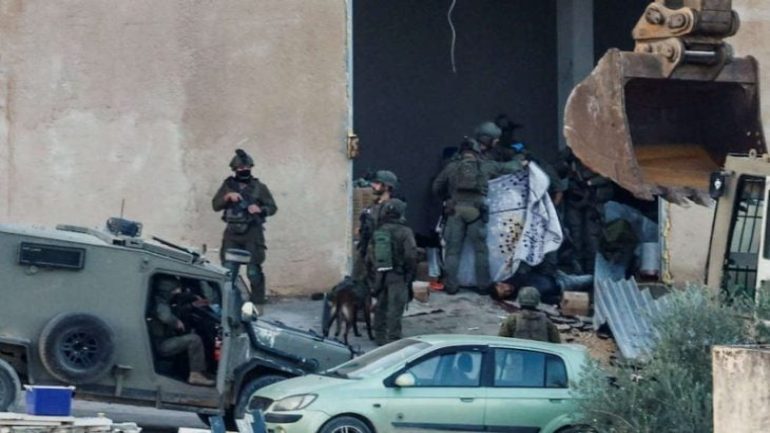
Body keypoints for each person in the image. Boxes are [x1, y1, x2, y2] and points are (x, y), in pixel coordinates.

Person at [432, 132, 523, 295]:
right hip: (476, 212)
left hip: (455, 211)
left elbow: (436, 187)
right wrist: (520, 160)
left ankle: (451, 286)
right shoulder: (486, 166)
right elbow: (510, 168)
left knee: (452, 251)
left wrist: (447, 199)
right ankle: (483, 286)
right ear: (476, 151)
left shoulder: (451, 167)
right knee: (480, 251)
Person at [212, 149, 277, 305]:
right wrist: (227, 197)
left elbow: (272, 207)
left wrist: (260, 209)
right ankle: (228, 303)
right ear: (235, 169)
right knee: (229, 271)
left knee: (253, 272)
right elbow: (215, 205)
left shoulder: (259, 187)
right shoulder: (227, 186)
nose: (244, 170)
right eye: (241, 168)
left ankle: (258, 303)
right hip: (232, 234)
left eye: (247, 167)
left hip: (252, 233)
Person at [366, 198, 417, 346]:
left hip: (380, 275)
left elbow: (369, 255)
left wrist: (375, 272)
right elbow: (411, 254)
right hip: (398, 275)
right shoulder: (405, 232)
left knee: (381, 305)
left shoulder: (379, 230)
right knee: (395, 308)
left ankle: (379, 336)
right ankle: (393, 339)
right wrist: (409, 272)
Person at [149, 276, 215, 386]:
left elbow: (176, 309)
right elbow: (165, 316)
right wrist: (176, 322)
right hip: (162, 344)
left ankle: (200, 372)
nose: (177, 292)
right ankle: (195, 375)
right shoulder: (160, 303)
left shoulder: (164, 301)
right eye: (174, 290)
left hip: (164, 340)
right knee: (194, 340)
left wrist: (192, 305)